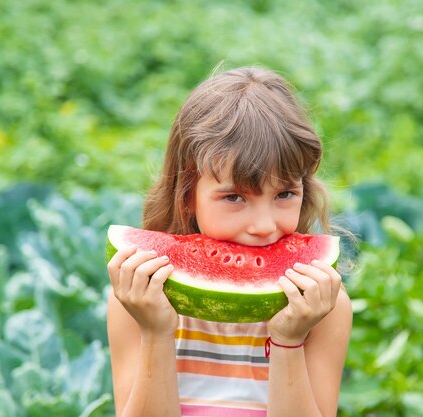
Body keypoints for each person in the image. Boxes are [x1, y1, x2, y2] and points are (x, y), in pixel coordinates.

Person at [106, 66, 352, 417]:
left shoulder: (324, 307)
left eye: (284, 193)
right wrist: (157, 332)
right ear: (187, 196)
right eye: (235, 198)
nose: (264, 226)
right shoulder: (138, 297)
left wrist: (288, 341)